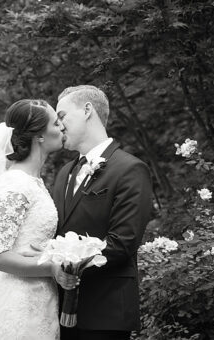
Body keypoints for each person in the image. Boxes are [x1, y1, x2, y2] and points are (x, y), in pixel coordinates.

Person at [51, 85, 154, 340]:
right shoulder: (65, 172)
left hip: (105, 313)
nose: (58, 126)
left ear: (87, 110)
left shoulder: (130, 169)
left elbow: (123, 242)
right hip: (57, 311)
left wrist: (70, 267)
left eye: (62, 116)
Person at [0, 99, 71, 339]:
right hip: (19, 305)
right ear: (40, 136)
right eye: (56, 123)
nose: (62, 127)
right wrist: (52, 267)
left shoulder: (32, 181)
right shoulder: (16, 185)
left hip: (40, 298)